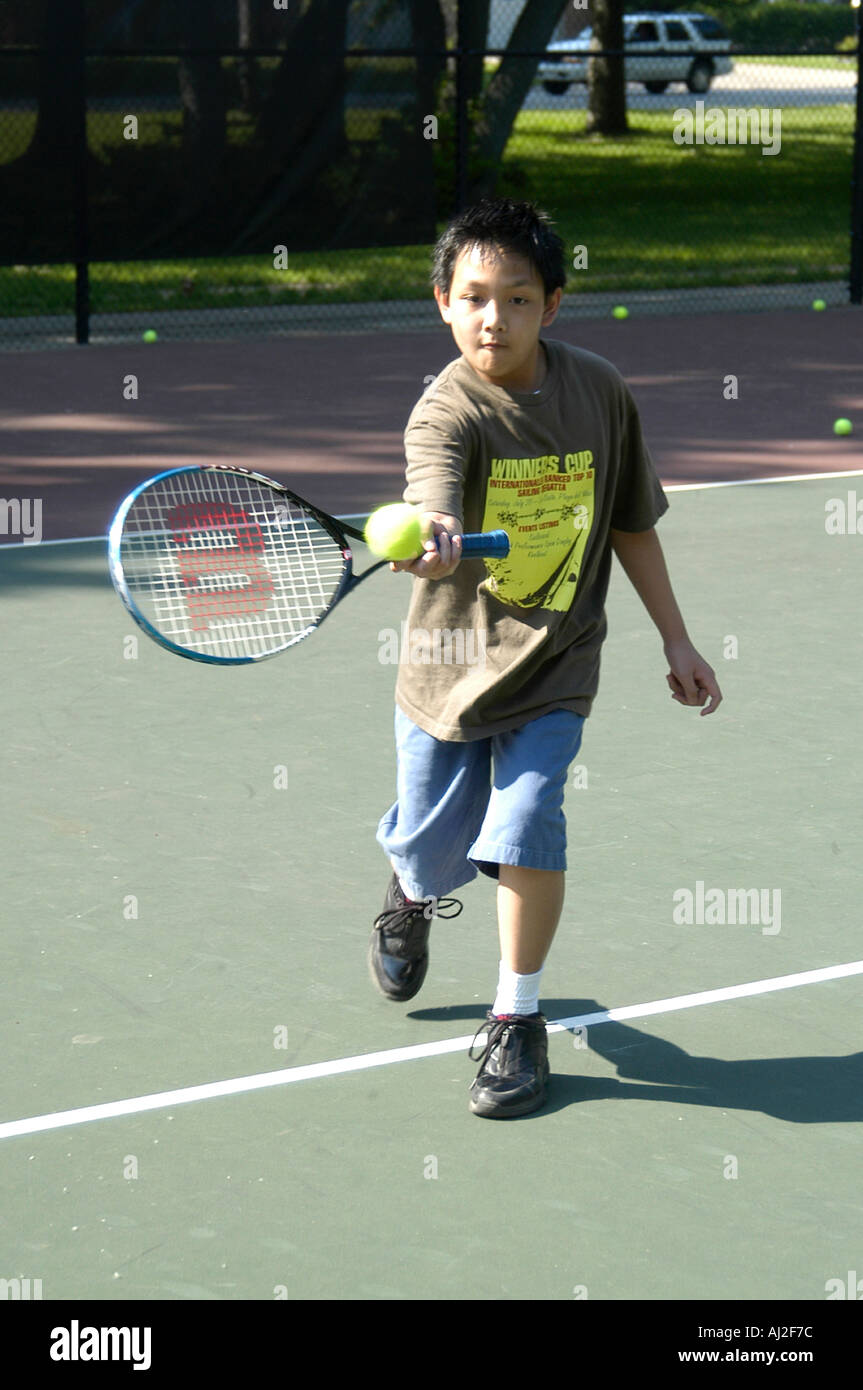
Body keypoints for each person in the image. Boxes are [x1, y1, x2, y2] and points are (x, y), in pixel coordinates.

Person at [369, 197, 722, 1119]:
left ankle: (514, 1019)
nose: (495, 318)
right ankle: (408, 889)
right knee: (430, 844)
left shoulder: (598, 389)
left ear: (551, 306)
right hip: (449, 668)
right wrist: (433, 534)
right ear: (442, 302)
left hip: (559, 663)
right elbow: (431, 495)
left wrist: (675, 638)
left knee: (526, 821)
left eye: (517, 299)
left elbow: (629, 522)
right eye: (475, 297)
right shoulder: (442, 412)